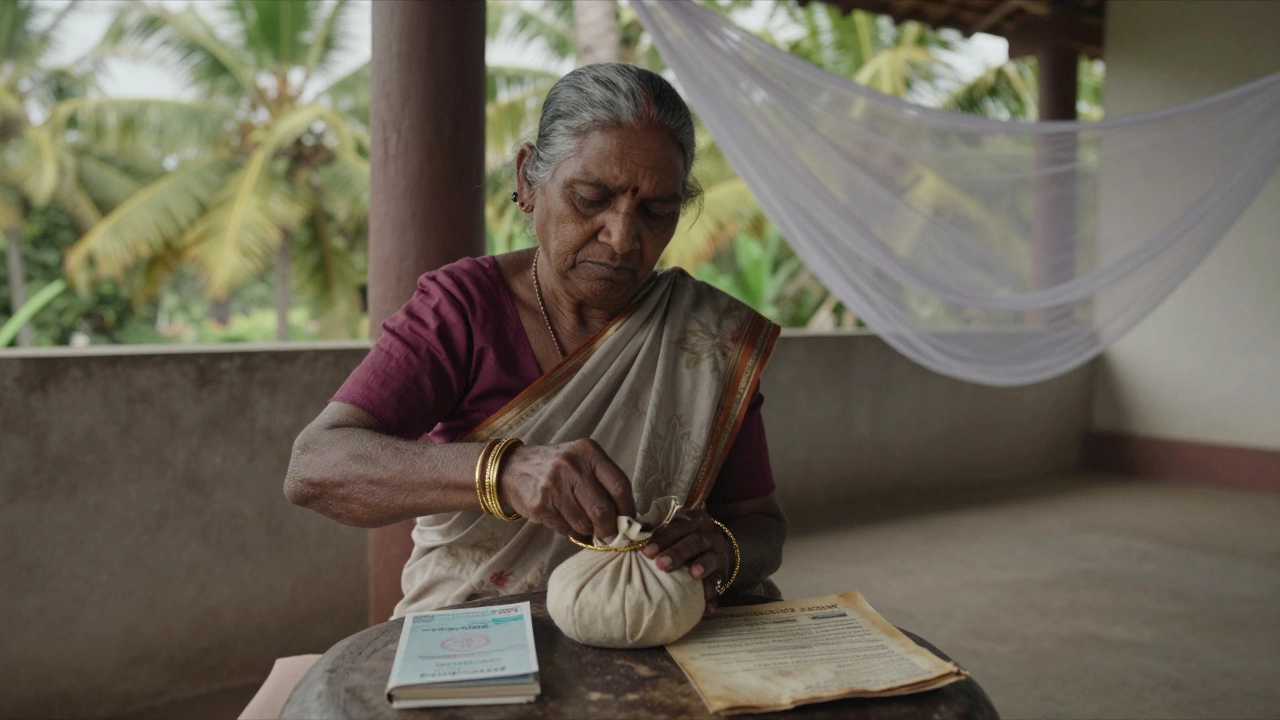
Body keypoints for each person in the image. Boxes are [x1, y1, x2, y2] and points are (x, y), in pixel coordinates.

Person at [284, 63, 786, 621]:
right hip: (480, 634)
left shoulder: (709, 339)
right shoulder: (465, 308)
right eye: (591, 199)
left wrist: (723, 552)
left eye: (656, 211)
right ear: (527, 181)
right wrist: (502, 472)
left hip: (652, 633)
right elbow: (315, 466)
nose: (622, 238)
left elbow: (761, 524)